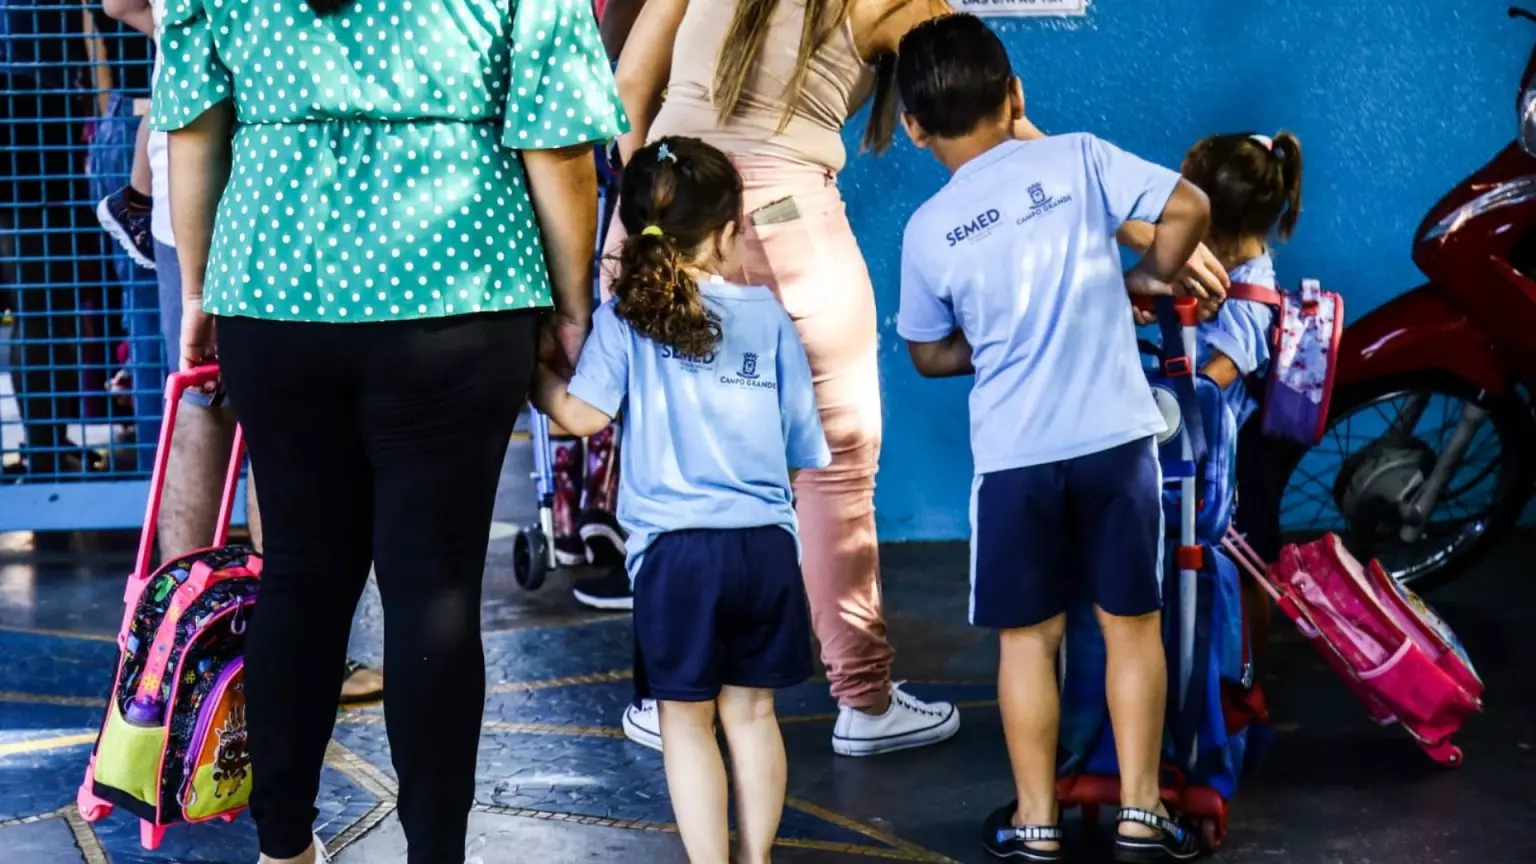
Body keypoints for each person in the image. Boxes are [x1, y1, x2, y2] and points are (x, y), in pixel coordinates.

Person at [152, 2, 624, 863]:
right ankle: (435, 853)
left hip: (272, 285)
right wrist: (572, 303)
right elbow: (558, 148)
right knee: (433, 593)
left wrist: (196, 292)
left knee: (300, 575)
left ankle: (284, 846)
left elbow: (193, 134)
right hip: (461, 289)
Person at [893, 15, 1215, 863]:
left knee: (1029, 640)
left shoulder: (927, 229)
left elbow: (927, 353)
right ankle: (1143, 813)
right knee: (1130, 627)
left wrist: (989, 344)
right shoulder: (1077, 156)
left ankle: (1036, 821)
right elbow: (1190, 205)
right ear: (1016, 96)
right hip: (1115, 443)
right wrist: (1147, 276)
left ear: (914, 127)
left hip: (1014, 462)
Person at [609, 0, 966, 758]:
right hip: (790, 218)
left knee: (669, 458)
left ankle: (668, 695)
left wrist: (629, 228)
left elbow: (633, 80)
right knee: (837, 467)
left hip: (673, 212)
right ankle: (865, 702)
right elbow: (976, 99)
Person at [535, 135, 825, 864]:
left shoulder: (627, 318)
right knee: (754, 715)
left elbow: (583, 417)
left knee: (686, 723)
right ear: (729, 230)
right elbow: (800, 447)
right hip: (764, 547)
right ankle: (758, 858)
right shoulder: (768, 317)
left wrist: (526, 375)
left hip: (676, 557)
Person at [1183, 130, 1305, 678]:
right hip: (1219, 438)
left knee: (1250, 562)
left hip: (1246, 448)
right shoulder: (1226, 265)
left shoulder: (1252, 297)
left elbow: (1223, 369)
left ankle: (1247, 674)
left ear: (1229, 237)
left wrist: (1166, 398)